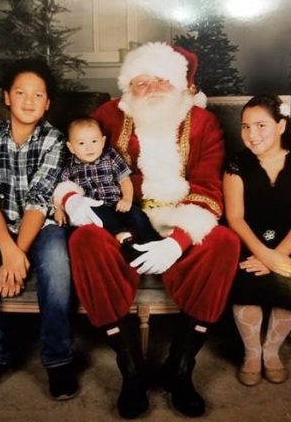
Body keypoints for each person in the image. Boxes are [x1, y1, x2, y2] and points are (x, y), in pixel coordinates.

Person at [54, 42, 240, 419]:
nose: (151, 89)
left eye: (161, 80)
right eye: (141, 81)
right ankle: (131, 367)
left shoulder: (203, 123)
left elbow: (207, 187)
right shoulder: (108, 115)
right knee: (86, 239)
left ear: (180, 84)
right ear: (127, 86)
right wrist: (71, 198)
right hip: (124, 219)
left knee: (224, 242)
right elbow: (71, 158)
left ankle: (181, 366)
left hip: (180, 216)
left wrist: (177, 242)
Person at [0, 58, 77, 402]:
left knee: (55, 259)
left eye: (38, 95)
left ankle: (58, 356)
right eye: (20, 92)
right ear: (6, 97)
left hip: (43, 226)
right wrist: (8, 250)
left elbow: (40, 200)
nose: (28, 100)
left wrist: (16, 252)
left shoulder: (54, 140)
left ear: (47, 103)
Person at [223, 94, 291, 386]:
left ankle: (271, 351)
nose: (251, 134)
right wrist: (263, 255)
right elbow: (235, 218)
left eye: (260, 125)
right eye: (245, 127)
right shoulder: (237, 164)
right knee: (245, 278)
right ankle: (252, 352)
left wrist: (276, 257)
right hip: (247, 243)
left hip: (288, 245)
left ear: (281, 126)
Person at [54, 116, 161, 258]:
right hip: (95, 210)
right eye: (81, 143)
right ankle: (123, 237)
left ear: (103, 141)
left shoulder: (110, 156)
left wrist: (127, 199)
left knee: (138, 215)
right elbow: (61, 189)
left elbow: (124, 179)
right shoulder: (70, 166)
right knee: (99, 218)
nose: (89, 147)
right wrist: (58, 209)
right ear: (71, 147)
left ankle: (154, 242)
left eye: (94, 141)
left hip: (117, 203)